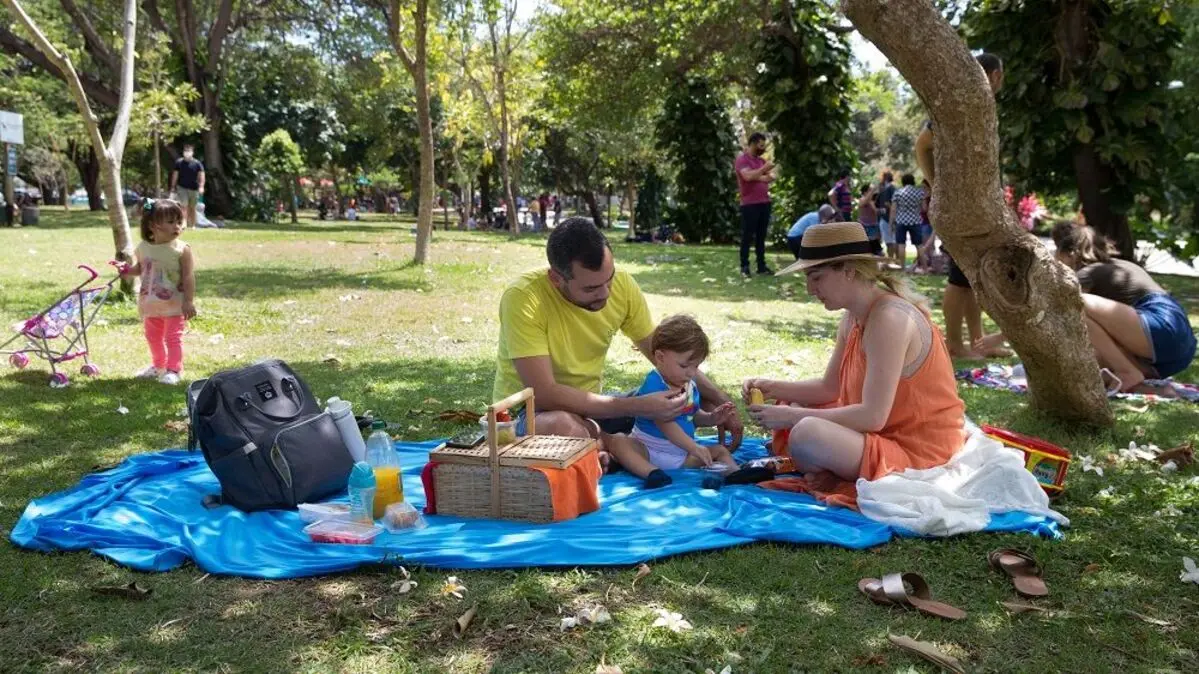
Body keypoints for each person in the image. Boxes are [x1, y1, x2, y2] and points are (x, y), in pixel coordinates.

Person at [493, 216, 744, 468]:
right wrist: (637, 406)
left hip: (592, 408)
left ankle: (603, 448)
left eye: (609, 279)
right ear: (556, 279)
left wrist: (720, 402)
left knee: (667, 396)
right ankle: (611, 444)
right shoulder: (524, 299)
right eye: (591, 289)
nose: (605, 293)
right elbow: (544, 394)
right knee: (565, 426)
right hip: (528, 414)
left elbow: (667, 355)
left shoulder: (622, 286)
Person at [745, 221, 966, 506]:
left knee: (805, 430)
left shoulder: (889, 318)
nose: (810, 289)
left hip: (920, 449)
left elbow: (874, 417)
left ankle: (832, 470)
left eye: (816, 277)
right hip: (881, 434)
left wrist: (790, 419)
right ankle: (831, 467)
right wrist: (773, 387)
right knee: (797, 412)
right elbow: (829, 388)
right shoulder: (853, 316)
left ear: (848, 271)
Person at [915, 52, 1009, 359]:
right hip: (959, 206)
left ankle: (977, 342)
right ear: (995, 75)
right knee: (959, 278)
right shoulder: (959, 103)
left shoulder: (980, 105)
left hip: (975, 204)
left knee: (970, 278)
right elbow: (922, 144)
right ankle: (955, 344)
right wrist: (935, 183)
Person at [1052, 221, 1196, 395]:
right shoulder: (1121, 266)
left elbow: (1060, 312)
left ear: (1070, 254)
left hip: (1160, 325)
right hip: (1180, 347)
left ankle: (1127, 372)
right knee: (1085, 364)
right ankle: (1149, 387)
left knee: (1071, 303)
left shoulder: (1087, 273)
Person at [608, 315, 740, 489]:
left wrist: (711, 418)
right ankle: (651, 473)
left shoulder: (689, 384)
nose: (691, 373)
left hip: (681, 455)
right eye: (685, 366)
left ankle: (735, 475)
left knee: (720, 451)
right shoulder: (654, 384)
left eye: (696, 367)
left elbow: (692, 415)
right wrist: (694, 447)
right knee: (619, 441)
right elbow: (666, 425)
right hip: (647, 449)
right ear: (660, 357)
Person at [118, 199, 197, 386]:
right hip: (150, 303)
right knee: (153, 337)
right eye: (171, 222)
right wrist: (127, 270)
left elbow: (188, 277)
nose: (177, 226)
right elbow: (141, 268)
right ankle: (158, 366)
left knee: (172, 338)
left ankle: (174, 370)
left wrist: (188, 301)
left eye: (179, 221)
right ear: (153, 225)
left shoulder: (182, 249)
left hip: (174, 304)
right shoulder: (143, 248)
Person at [735, 132, 776, 277]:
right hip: (749, 204)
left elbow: (772, 177)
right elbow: (747, 176)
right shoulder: (742, 160)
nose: (763, 149)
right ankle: (744, 267)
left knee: (761, 237)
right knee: (747, 235)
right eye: (761, 145)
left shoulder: (760, 161)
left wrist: (757, 175)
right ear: (752, 143)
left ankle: (761, 266)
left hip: (764, 203)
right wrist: (762, 172)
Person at [888, 174, 926, 268]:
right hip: (915, 221)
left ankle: (903, 267)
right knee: (919, 245)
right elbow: (924, 208)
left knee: (901, 244)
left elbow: (893, 210)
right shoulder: (919, 193)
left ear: (903, 182)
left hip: (901, 221)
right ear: (913, 181)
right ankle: (925, 268)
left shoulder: (898, 193)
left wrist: (891, 223)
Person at [169, 144, 205, 230]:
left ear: (192, 152)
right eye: (186, 151)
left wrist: (201, 186)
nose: (187, 153)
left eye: (189, 151)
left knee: (192, 208)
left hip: (194, 188)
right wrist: (173, 186)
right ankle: (184, 223)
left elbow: (202, 175)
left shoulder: (197, 163)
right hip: (182, 187)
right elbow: (175, 175)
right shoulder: (179, 162)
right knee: (183, 206)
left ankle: (193, 225)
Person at [875, 171, 897, 263]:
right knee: (889, 242)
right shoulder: (883, 189)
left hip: (890, 218)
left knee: (892, 242)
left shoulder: (891, 188)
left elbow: (894, 204)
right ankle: (891, 260)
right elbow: (877, 203)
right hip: (884, 218)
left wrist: (889, 206)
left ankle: (893, 260)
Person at [858, 183, 882, 256]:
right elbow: (863, 203)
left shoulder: (871, 201)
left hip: (873, 226)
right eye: (869, 190)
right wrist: (873, 190)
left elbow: (875, 211)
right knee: (870, 247)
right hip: (865, 226)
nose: (872, 192)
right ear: (865, 192)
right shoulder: (862, 199)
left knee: (876, 248)